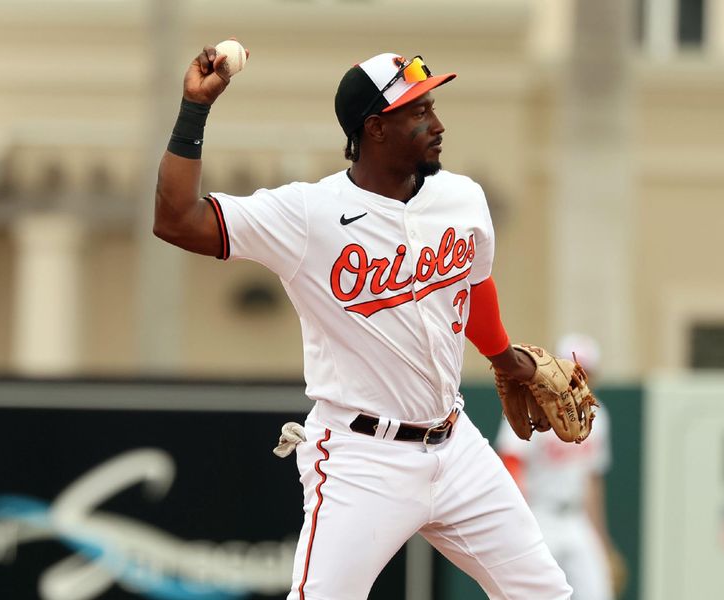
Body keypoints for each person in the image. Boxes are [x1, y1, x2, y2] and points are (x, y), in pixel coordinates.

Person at [154, 43, 572, 600]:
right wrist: (194, 110)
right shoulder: (308, 214)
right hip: (361, 457)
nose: (437, 123)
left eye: (432, 107)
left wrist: (506, 358)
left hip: (457, 446)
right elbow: (176, 219)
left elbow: (471, 286)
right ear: (375, 128)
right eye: (418, 112)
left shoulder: (461, 197)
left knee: (547, 595)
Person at [495, 334, 625, 600]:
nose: (579, 378)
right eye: (573, 370)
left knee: (598, 592)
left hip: (576, 520)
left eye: (585, 372)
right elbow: (510, 463)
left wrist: (602, 542)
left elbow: (592, 482)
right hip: (539, 515)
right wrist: (517, 523)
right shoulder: (533, 405)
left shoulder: (598, 417)